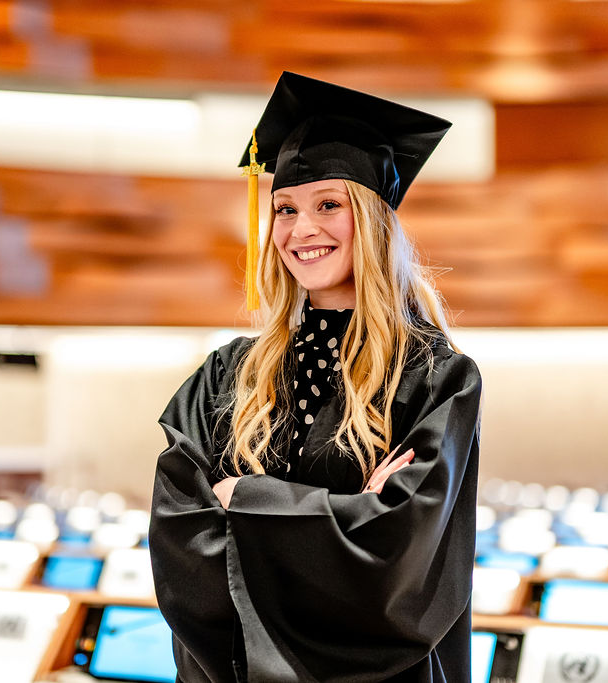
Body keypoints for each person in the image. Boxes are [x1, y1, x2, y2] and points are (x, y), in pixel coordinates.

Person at [149, 72, 482, 682]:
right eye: (285, 209)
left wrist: (242, 500)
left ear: (373, 220)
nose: (302, 230)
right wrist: (344, 510)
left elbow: (397, 554)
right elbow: (179, 533)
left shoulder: (433, 378)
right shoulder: (230, 372)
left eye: (329, 204)